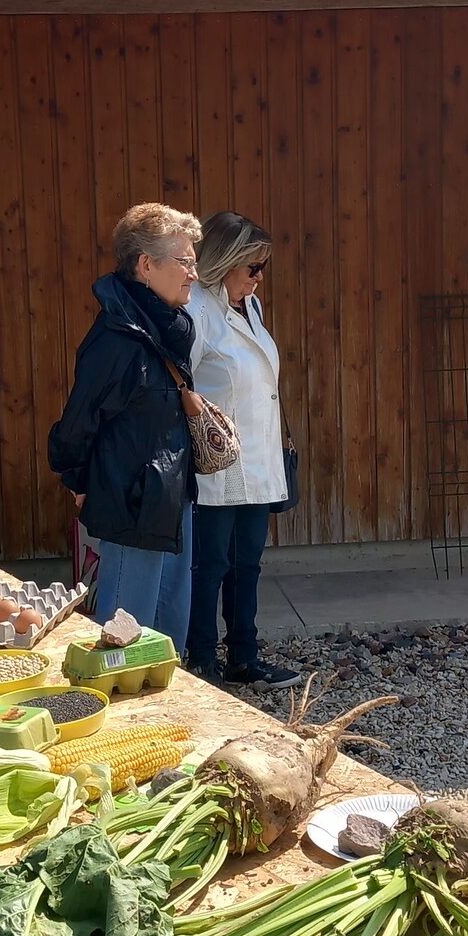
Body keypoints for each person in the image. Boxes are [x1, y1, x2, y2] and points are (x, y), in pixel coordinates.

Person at [49, 203, 201, 651]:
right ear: (147, 265)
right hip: (130, 507)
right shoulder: (116, 338)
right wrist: (77, 481)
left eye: (195, 262)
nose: (194, 273)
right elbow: (78, 424)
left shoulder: (169, 326)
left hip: (171, 502)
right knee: (121, 643)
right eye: (185, 262)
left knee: (167, 639)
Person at [184, 211, 298, 688]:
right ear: (225, 262)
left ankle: (244, 657)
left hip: (257, 458)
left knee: (248, 564)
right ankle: (202, 661)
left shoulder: (250, 308)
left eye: (263, 267)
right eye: (252, 267)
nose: (259, 277)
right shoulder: (197, 310)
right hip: (219, 461)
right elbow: (181, 383)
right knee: (211, 565)